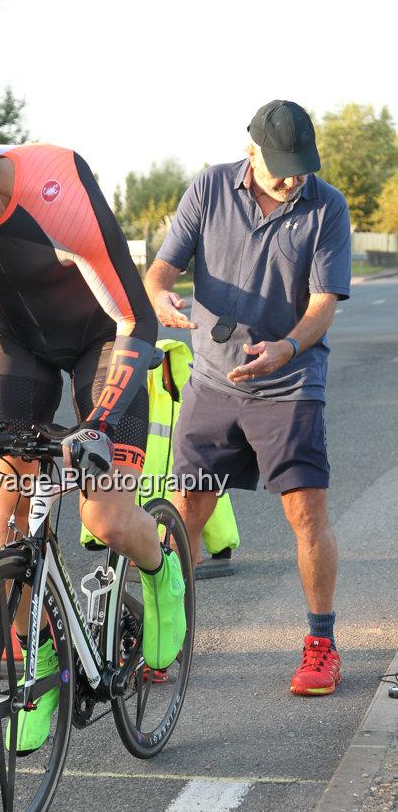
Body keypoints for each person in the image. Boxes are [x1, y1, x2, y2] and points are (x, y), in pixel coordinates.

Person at [0, 99, 186, 750]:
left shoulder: (56, 189)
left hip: (107, 338)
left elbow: (138, 319)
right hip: (15, 340)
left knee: (102, 517)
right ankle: (39, 658)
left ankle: (162, 575)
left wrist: (100, 421)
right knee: (9, 516)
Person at [144, 99, 351, 697]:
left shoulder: (325, 205)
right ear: (251, 149)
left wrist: (287, 348)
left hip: (289, 385)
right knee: (185, 518)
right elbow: (162, 271)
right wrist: (159, 297)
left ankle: (321, 643)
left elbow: (322, 305)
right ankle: (166, 638)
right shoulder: (209, 188)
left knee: (306, 515)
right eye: (281, 165)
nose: (292, 178)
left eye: (301, 166)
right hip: (211, 381)